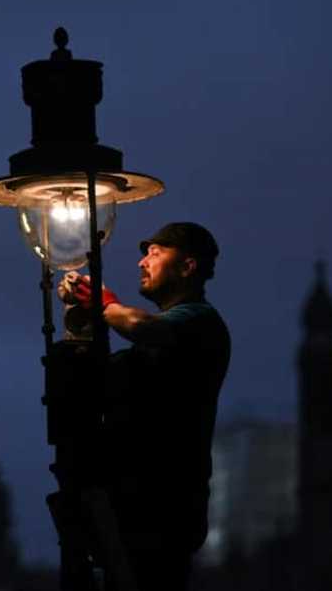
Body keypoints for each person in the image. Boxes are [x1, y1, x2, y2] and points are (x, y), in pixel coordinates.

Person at [57, 221, 231, 591]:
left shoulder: (199, 321)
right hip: (128, 505)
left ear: (188, 266)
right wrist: (87, 315)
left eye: (155, 253)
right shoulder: (155, 342)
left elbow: (140, 325)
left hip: (162, 509)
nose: (142, 262)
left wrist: (102, 302)